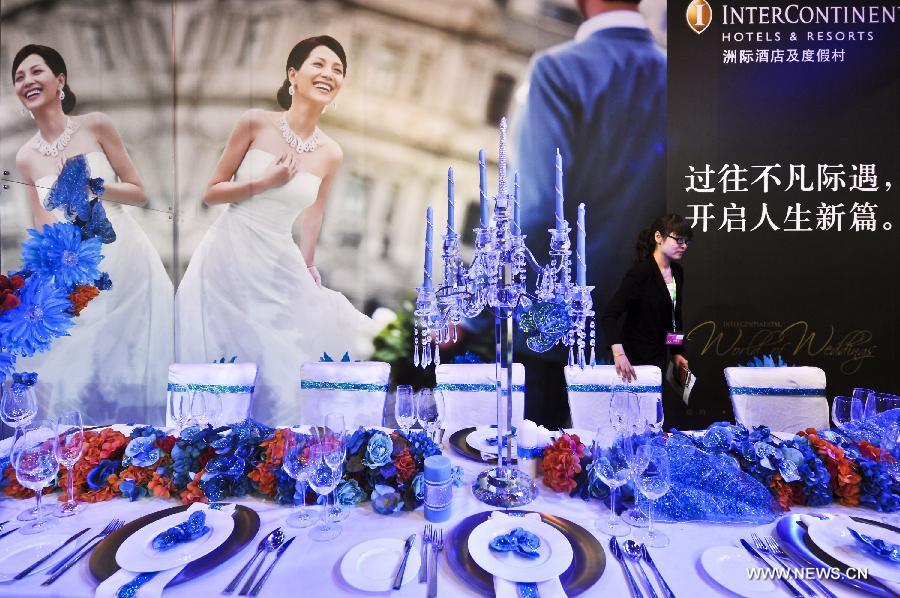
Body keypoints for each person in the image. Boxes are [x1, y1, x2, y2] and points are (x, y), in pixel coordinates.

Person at [175, 36, 380, 424]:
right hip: (228, 254)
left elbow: (313, 214)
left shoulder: (330, 153)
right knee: (226, 357)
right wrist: (265, 182)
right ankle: (212, 444)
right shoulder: (255, 122)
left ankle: (271, 450)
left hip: (277, 258)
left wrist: (307, 263)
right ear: (293, 74)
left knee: (287, 352)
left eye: (337, 70)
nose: (328, 74)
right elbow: (212, 192)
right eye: (319, 64)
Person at [514, 0, 667, 428]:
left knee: (546, 476)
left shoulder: (559, 70)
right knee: (624, 480)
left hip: (558, 329)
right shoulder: (686, 84)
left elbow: (539, 206)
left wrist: (471, 314)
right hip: (645, 332)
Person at [11, 44, 174, 424]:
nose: (28, 81)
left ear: (60, 80)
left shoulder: (96, 124)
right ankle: (89, 454)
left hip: (126, 254)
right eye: (19, 77)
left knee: (134, 355)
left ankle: (143, 449)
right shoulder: (25, 157)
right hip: (75, 267)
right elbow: (41, 225)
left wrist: (94, 186)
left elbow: (139, 190)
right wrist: (46, 280)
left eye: (36, 72)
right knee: (83, 357)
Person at [601, 214, 692, 427]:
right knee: (633, 420)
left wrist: (677, 353)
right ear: (659, 237)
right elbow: (609, 315)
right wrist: (619, 354)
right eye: (678, 239)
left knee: (655, 419)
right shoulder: (640, 272)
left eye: (687, 241)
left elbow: (674, 318)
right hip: (632, 361)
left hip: (658, 357)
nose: (684, 245)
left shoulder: (678, 272)